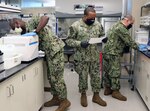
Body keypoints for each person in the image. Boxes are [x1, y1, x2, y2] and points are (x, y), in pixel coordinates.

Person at [9, 16, 71, 111]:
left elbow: (45, 18)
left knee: (57, 77)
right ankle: (56, 98)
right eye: (14, 28)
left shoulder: (32, 22)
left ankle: (64, 101)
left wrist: (36, 31)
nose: (17, 28)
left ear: (18, 22)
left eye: (15, 26)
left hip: (55, 50)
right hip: (49, 53)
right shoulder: (24, 32)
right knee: (51, 77)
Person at [66, 7, 107, 107]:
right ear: (84, 16)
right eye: (91, 18)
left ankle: (96, 96)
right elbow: (68, 40)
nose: (93, 20)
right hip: (82, 58)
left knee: (96, 77)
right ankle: (83, 95)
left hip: (94, 57)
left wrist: (104, 39)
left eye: (94, 18)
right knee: (83, 77)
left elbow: (102, 35)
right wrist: (80, 43)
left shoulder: (98, 25)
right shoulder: (75, 26)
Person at [102, 15, 138, 101]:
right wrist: (139, 47)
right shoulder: (121, 28)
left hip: (106, 52)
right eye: (131, 23)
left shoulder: (115, 25)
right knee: (115, 72)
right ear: (127, 20)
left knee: (107, 70)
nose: (131, 25)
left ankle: (107, 89)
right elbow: (129, 41)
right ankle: (115, 92)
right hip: (113, 53)